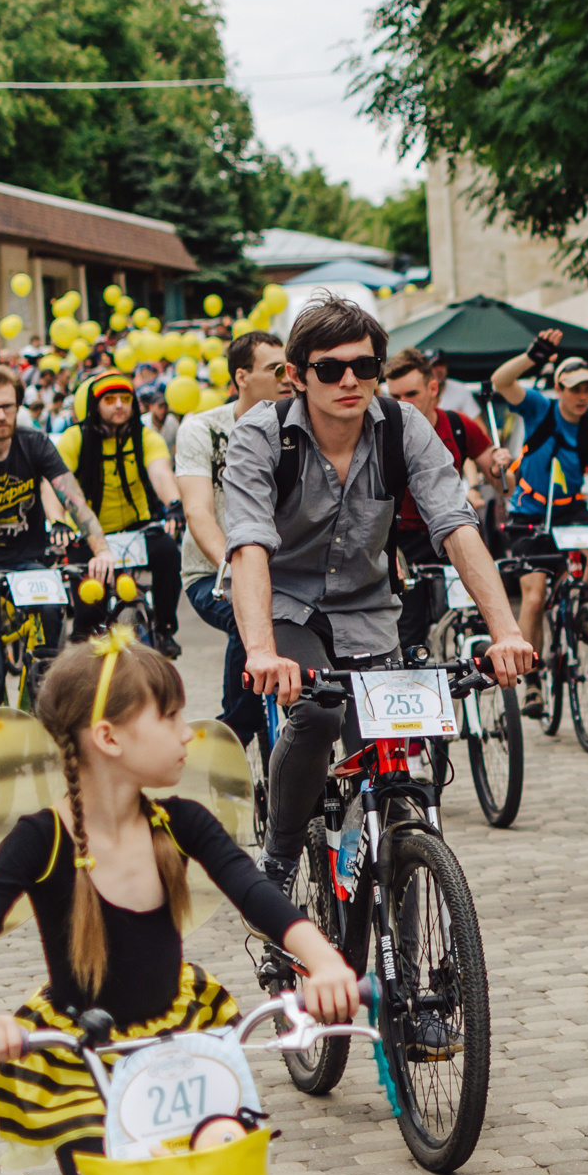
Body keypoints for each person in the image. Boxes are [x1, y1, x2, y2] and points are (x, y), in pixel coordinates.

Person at [0, 634, 359, 1175]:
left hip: (176, 1039)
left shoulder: (180, 823)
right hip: (83, 1058)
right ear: (109, 737)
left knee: (223, 1141)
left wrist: (323, 961)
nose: (188, 733)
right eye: (168, 717)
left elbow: (258, 894)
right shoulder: (40, 841)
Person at [222, 296, 535, 890]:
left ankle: (398, 899)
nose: (349, 381)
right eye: (329, 368)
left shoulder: (404, 427)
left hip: (369, 608)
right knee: (318, 714)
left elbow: (456, 526)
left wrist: (506, 632)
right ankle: (279, 862)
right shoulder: (260, 436)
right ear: (296, 376)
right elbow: (249, 545)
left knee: (391, 762)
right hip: (284, 606)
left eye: (364, 367)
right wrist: (261, 651)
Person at [0, 367, 113, 716]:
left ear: (19, 406)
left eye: (8, 406)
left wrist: (101, 550)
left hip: (28, 563)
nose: (1, 415)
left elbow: (74, 501)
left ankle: (43, 726)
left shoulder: (35, 443)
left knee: (50, 662)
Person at [488, 333, 588, 699]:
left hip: (570, 508)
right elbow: (501, 381)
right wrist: (532, 356)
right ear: (559, 389)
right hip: (530, 511)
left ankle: (585, 612)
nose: (582, 396)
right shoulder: (540, 408)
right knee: (534, 596)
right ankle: (532, 681)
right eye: (574, 389)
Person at [177, 331, 295, 747]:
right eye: (275, 370)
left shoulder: (301, 422)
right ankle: (235, 735)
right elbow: (197, 512)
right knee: (245, 616)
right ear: (241, 377)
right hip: (212, 574)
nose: (287, 377)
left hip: (288, 573)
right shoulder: (203, 430)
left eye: (289, 367)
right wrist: (235, 569)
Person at [385, 347, 504, 662]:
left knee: (480, 617)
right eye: (395, 396)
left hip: (452, 532)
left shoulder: (457, 424)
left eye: (411, 394)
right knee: (409, 633)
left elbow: (497, 476)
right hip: (404, 540)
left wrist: (499, 466)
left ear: (433, 388)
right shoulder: (383, 430)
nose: (403, 403)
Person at [53, 372, 185, 655]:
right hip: (88, 534)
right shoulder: (73, 438)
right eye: (110, 399)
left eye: (125, 398)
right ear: (95, 405)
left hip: (138, 527)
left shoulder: (146, 437)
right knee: (89, 614)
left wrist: (174, 504)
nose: (119, 405)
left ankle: (164, 628)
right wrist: (56, 522)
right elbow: (54, 484)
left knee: (169, 554)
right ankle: (86, 644)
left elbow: (161, 473)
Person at [428, 351, 483, 422]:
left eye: (441, 365)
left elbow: (479, 426)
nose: (438, 369)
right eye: (434, 366)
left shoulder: (460, 389)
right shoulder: (418, 391)